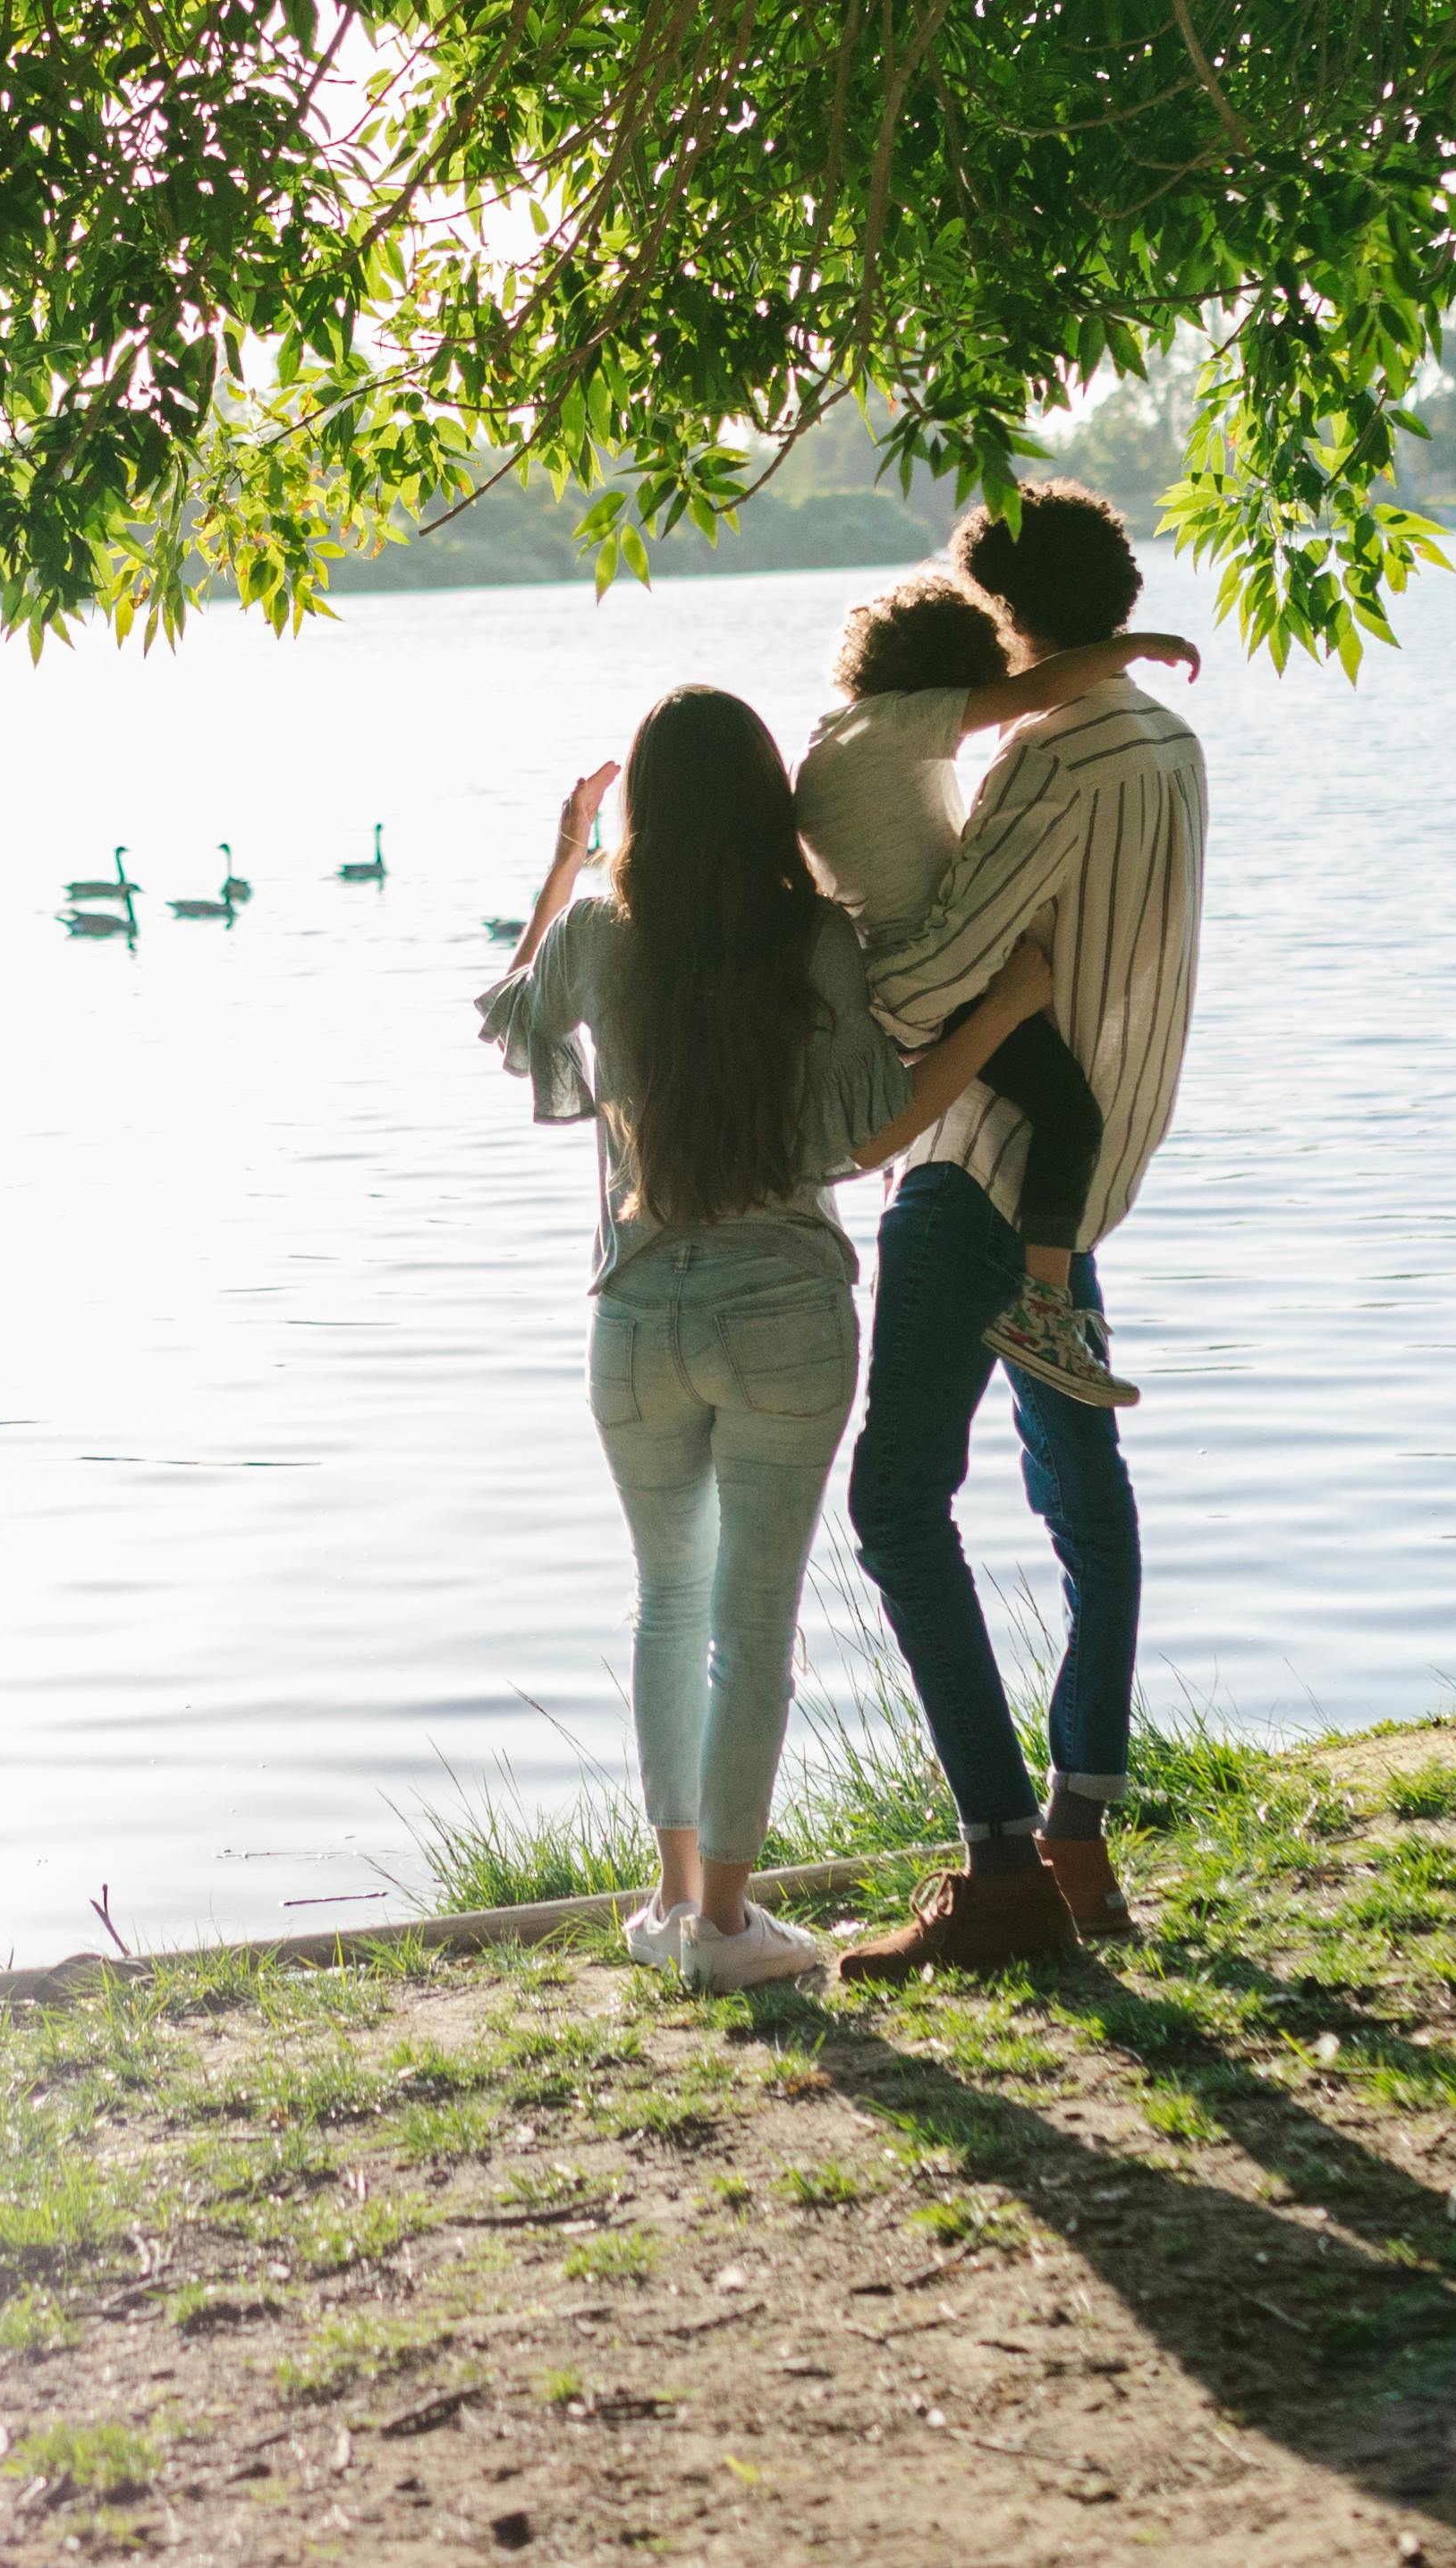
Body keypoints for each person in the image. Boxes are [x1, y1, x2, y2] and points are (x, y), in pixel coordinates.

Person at [481, 688, 1058, 1993]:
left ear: (642, 815)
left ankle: (673, 1900)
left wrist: (565, 858)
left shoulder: (598, 931)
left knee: (666, 1601)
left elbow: (515, 1013)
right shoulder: (813, 937)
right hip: (782, 1312)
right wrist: (1009, 1002)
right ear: (767, 800)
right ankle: (730, 1927)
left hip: (632, 1320)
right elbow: (871, 1131)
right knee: (749, 1616)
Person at [836, 484, 1211, 1978]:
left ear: (1006, 621)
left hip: (969, 1172)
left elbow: (933, 979)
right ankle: (1075, 1834)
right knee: (1080, 1491)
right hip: (1081, 1172)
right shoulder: (1169, 745)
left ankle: (998, 1865)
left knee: (892, 1504)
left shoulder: (1050, 760)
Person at [797, 576, 1202, 1410]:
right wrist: (1131, 649)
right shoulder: (894, 724)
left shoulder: (838, 741)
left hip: (911, 977)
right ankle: (1045, 1307)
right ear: (945, 680)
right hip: (940, 984)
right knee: (1072, 1116)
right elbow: (1037, 690)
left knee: (1048, 1110)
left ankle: (1049, 1304)